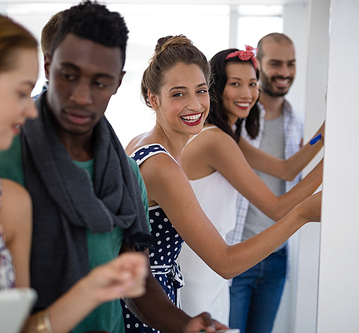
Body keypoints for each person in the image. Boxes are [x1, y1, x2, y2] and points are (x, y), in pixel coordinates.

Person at [0, 3, 226, 333]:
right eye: (69, 76)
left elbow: (137, 279)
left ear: (118, 83)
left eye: (100, 82)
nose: (82, 96)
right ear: (49, 66)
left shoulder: (124, 172)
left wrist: (185, 325)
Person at [0, 9, 149, 333]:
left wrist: (92, 288)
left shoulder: (7, 200)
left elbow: (21, 329)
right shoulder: (4, 175)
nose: (31, 109)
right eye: (20, 91)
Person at [124, 35, 322, 330]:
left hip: (153, 295)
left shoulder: (141, 143)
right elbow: (225, 262)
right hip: (152, 302)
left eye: (200, 91)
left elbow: (286, 169)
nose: (194, 104)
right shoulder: (166, 165)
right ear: (153, 98)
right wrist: (303, 214)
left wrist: (330, 132)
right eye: (178, 94)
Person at [176, 44, 324, 323]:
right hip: (202, 264)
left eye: (252, 84)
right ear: (215, 87)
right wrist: (336, 159)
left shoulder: (227, 135)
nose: (247, 94)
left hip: (206, 262)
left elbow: (286, 169)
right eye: (235, 84)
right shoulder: (217, 141)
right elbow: (277, 209)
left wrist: (326, 135)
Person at [227, 33, 305, 333]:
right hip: (237, 253)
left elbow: (291, 172)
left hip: (276, 257)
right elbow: (286, 171)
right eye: (275, 63)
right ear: (257, 65)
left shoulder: (296, 121)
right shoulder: (238, 118)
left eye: (291, 64)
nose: (284, 72)